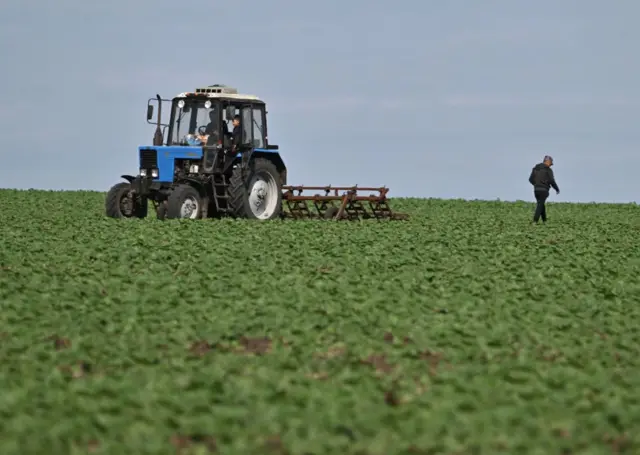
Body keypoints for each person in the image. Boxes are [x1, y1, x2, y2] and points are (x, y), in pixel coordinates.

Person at [529, 155, 560, 224]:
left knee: (541, 204)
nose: (550, 165)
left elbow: (530, 179)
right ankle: (535, 221)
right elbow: (552, 181)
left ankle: (544, 221)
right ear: (547, 162)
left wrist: (536, 184)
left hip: (536, 190)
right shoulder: (548, 170)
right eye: (550, 163)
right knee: (540, 204)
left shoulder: (535, 168)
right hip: (544, 190)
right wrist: (557, 189)